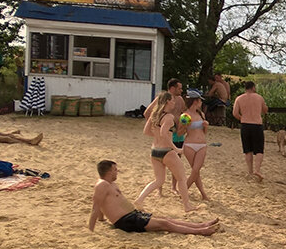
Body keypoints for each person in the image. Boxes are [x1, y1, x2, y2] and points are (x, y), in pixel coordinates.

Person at [89, 160, 218, 235]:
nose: (117, 172)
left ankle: (201, 225)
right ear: (109, 171)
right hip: (126, 221)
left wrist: (102, 220)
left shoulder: (110, 184)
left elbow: (102, 205)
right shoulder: (102, 185)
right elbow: (96, 206)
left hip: (133, 215)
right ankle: (201, 231)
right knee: (165, 224)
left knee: (165, 219)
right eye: (115, 170)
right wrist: (91, 230)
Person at [135, 91, 197, 212]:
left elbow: (146, 132)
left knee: (159, 181)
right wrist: (176, 148)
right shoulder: (168, 117)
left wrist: (157, 136)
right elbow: (164, 133)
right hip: (166, 151)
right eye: (172, 100)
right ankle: (187, 206)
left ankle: (140, 199)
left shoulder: (155, 115)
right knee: (181, 179)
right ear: (168, 101)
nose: (174, 102)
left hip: (154, 151)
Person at [145, 78, 187, 193]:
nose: (181, 90)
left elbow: (183, 114)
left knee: (177, 161)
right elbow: (147, 113)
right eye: (179, 88)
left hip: (177, 133)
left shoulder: (180, 100)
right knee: (161, 162)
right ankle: (160, 190)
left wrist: (183, 126)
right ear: (172, 88)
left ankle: (174, 187)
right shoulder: (161, 98)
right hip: (165, 133)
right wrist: (155, 128)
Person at [232, 80, 268, 181]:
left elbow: (235, 113)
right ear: (253, 87)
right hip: (257, 124)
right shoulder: (259, 97)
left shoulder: (239, 98)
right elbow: (265, 110)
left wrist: (242, 118)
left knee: (248, 150)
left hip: (245, 124)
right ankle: (257, 170)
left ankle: (250, 171)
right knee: (259, 150)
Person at [182, 91, 211, 201]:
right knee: (195, 171)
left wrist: (206, 126)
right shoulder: (185, 115)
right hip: (189, 144)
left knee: (196, 170)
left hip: (202, 144)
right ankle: (202, 193)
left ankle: (185, 190)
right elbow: (180, 132)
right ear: (195, 101)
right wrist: (185, 125)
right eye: (200, 101)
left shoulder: (201, 114)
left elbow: (204, 132)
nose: (201, 103)